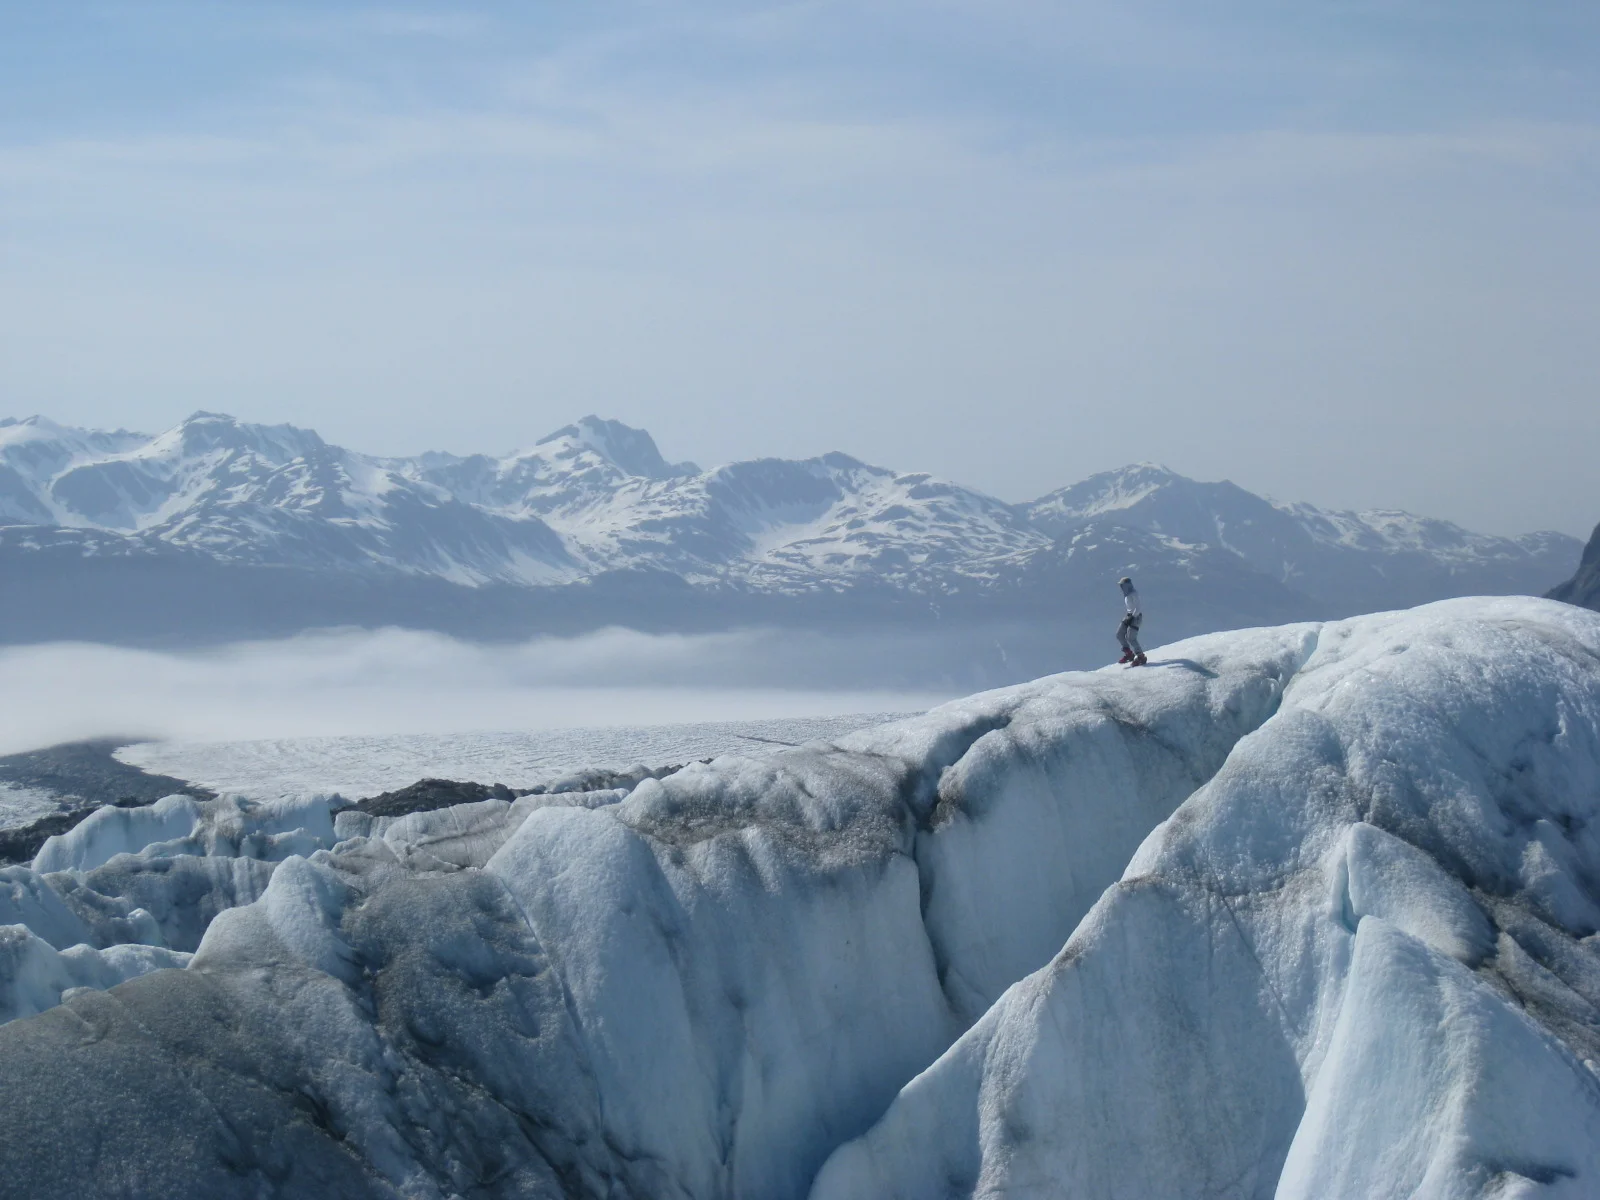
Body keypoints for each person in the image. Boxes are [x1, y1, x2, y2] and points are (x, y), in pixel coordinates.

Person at [1117, 576, 1146, 666]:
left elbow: (1138, 608)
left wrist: (1132, 617)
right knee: (1119, 634)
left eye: (1122, 586)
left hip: (1136, 617)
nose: (1121, 588)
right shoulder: (1127, 594)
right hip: (1129, 616)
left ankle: (1141, 656)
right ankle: (1129, 654)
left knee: (1131, 638)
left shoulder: (1134, 594)